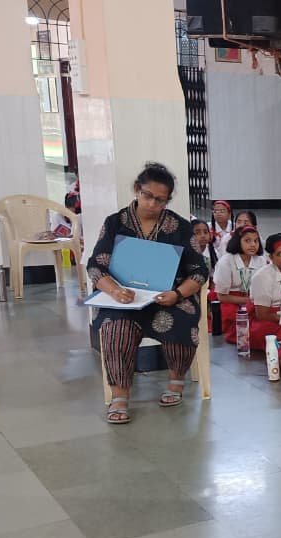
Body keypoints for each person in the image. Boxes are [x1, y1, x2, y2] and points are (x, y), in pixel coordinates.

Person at [89, 162, 209, 424]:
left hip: (168, 297)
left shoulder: (179, 226)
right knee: (116, 327)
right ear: (137, 189)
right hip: (124, 298)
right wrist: (115, 290)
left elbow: (199, 271)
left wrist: (178, 294)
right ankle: (120, 395)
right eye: (147, 196)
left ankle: (177, 380)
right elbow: (96, 266)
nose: (152, 204)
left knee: (180, 317)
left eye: (160, 200)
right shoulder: (115, 223)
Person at [212, 226, 267, 338]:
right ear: (238, 242)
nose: (253, 244)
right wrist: (246, 301)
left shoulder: (261, 260)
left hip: (253, 300)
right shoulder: (226, 262)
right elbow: (221, 296)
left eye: (256, 241)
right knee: (235, 318)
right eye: (247, 241)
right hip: (230, 301)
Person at [248, 233, 281, 351]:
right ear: (271, 257)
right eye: (280, 254)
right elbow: (262, 315)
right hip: (272, 318)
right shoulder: (261, 277)